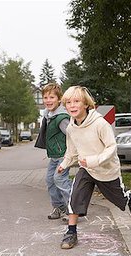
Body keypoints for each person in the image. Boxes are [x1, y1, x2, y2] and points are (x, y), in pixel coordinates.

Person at [57, 86, 131, 249]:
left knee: (117, 199)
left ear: (86, 104)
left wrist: (94, 160)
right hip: (86, 169)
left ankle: (129, 196)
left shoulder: (100, 124)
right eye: (68, 102)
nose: (72, 105)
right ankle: (71, 232)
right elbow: (72, 151)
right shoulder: (71, 128)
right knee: (75, 196)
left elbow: (111, 147)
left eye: (76, 101)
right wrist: (64, 164)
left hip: (106, 169)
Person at [35, 83, 72, 220]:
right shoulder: (48, 115)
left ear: (59, 99)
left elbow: (72, 135)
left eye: (52, 97)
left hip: (64, 155)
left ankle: (72, 209)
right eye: (45, 97)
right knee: (50, 180)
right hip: (54, 156)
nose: (48, 100)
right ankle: (59, 207)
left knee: (60, 179)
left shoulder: (61, 117)